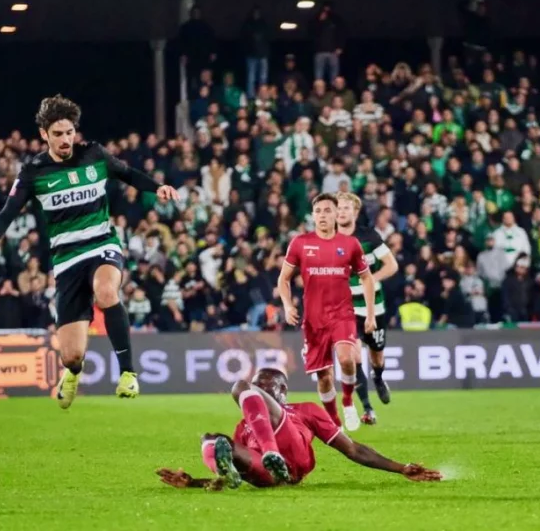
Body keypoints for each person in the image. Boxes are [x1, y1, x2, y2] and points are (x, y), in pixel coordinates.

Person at [0, 95, 178, 408]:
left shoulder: (94, 155)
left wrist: (157, 187)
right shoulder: (34, 172)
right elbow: (6, 215)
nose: (65, 139)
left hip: (102, 244)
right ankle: (72, 372)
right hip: (66, 261)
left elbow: (128, 173)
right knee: (72, 356)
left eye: (70, 132)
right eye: (58, 134)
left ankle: (128, 372)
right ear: (44, 134)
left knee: (106, 291)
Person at [155, 368, 442, 490]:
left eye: (267, 386)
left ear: (283, 391)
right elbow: (241, 469)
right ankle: (269, 461)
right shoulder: (244, 425)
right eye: (258, 386)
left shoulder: (305, 410)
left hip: (292, 455)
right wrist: (195, 483)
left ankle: (272, 453)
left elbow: (352, 448)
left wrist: (400, 468)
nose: (260, 390)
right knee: (214, 440)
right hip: (268, 475)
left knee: (240, 386)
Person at [276, 191, 377, 432]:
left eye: (328, 210)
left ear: (335, 214)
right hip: (313, 319)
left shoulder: (350, 244)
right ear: (313, 215)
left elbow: (367, 278)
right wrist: (288, 305)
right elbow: (283, 279)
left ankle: (348, 401)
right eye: (318, 211)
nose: (322, 215)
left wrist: (371, 314)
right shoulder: (300, 243)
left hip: (342, 314)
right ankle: (334, 421)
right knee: (324, 376)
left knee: (347, 358)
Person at [336, 192, 399, 425]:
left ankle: (378, 377)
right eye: (338, 208)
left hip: (374, 305)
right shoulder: (328, 238)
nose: (341, 212)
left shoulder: (369, 236)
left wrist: (372, 280)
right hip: (345, 306)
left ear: (355, 212)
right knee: (352, 357)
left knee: (377, 355)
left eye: (346, 208)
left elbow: (392, 265)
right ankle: (368, 408)